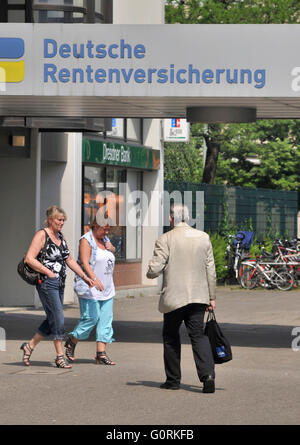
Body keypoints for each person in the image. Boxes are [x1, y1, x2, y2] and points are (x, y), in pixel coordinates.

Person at [146, 204, 217, 393]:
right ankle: (207, 376)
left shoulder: (165, 239)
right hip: (198, 296)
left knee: (170, 336)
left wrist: (150, 270)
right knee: (198, 335)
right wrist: (212, 297)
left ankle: (173, 380)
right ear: (188, 217)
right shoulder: (203, 238)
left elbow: (154, 270)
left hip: (174, 298)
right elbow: (211, 270)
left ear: (172, 218)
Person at [20, 205, 94, 369]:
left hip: (59, 283)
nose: (62, 223)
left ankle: (29, 346)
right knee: (58, 318)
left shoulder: (60, 236)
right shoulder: (42, 235)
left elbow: (69, 260)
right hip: (47, 282)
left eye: (63, 220)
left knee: (52, 317)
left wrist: (84, 276)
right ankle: (60, 356)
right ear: (50, 219)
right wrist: (48, 272)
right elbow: (29, 258)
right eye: (59, 220)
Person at [64, 213, 116, 366]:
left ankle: (101, 354)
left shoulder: (105, 240)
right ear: (95, 226)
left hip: (107, 288)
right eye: (104, 229)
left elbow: (109, 256)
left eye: (108, 230)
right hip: (90, 287)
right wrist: (94, 279)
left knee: (106, 321)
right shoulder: (86, 240)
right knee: (91, 318)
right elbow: (85, 263)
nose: (107, 233)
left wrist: (111, 248)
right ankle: (72, 341)